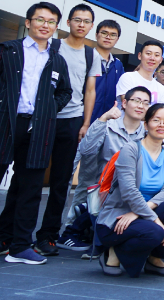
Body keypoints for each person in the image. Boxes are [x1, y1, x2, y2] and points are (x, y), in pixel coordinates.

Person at [0, 2, 72, 267]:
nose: (45, 25)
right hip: (1, 124)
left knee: (30, 191)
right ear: (28, 22)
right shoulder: (7, 50)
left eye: (51, 22)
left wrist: (48, 109)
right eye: (40, 19)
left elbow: (65, 92)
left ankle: (20, 246)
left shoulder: (57, 59)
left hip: (37, 129)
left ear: (56, 27)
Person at [16, 4, 100, 257]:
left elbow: (90, 91)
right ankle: (12, 235)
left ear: (91, 26)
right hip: (43, 118)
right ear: (68, 22)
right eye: (77, 20)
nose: (81, 25)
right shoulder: (53, 46)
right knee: (27, 177)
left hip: (71, 120)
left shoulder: (91, 54)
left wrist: (85, 123)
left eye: (86, 21)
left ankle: (48, 236)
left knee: (61, 182)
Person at [96, 103, 164, 277]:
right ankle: (113, 251)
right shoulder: (131, 149)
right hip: (118, 219)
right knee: (156, 231)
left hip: (137, 216)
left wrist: (138, 212)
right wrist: (156, 220)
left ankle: (154, 259)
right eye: (156, 120)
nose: (161, 125)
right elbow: (129, 191)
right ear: (145, 124)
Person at [60, 87, 148, 252]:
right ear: (124, 103)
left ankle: (86, 213)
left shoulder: (147, 134)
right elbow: (86, 150)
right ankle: (73, 231)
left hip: (132, 188)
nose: (140, 106)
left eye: (145, 102)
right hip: (105, 188)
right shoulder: (108, 125)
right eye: (136, 101)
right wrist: (103, 118)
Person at [89, 19, 124, 123]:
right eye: (104, 33)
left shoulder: (118, 65)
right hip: (85, 117)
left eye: (113, 35)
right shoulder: (87, 58)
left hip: (109, 121)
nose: (108, 37)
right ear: (96, 35)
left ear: (117, 39)